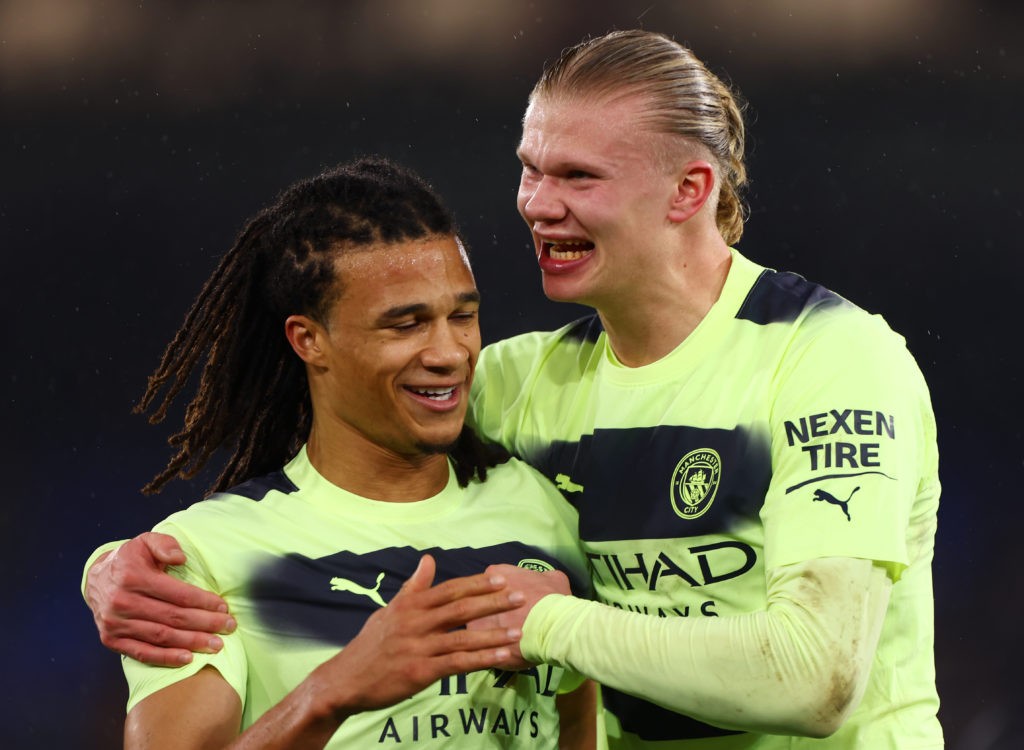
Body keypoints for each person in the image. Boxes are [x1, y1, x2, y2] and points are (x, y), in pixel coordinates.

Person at [85, 29, 942, 749]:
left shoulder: (829, 357)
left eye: (577, 177)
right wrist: (114, 571)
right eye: (530, 169)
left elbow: (815, 678)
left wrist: (548, 624)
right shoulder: (520, 384)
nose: (536, 204)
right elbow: (329, 474)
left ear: (691, 190)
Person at [84, 156, 596, 748]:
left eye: (463, 315)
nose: (449, 352)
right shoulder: (208, 559)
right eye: (404, 325)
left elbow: (580, 728)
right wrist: (334, 690)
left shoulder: (544, 508)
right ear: (310, 340)